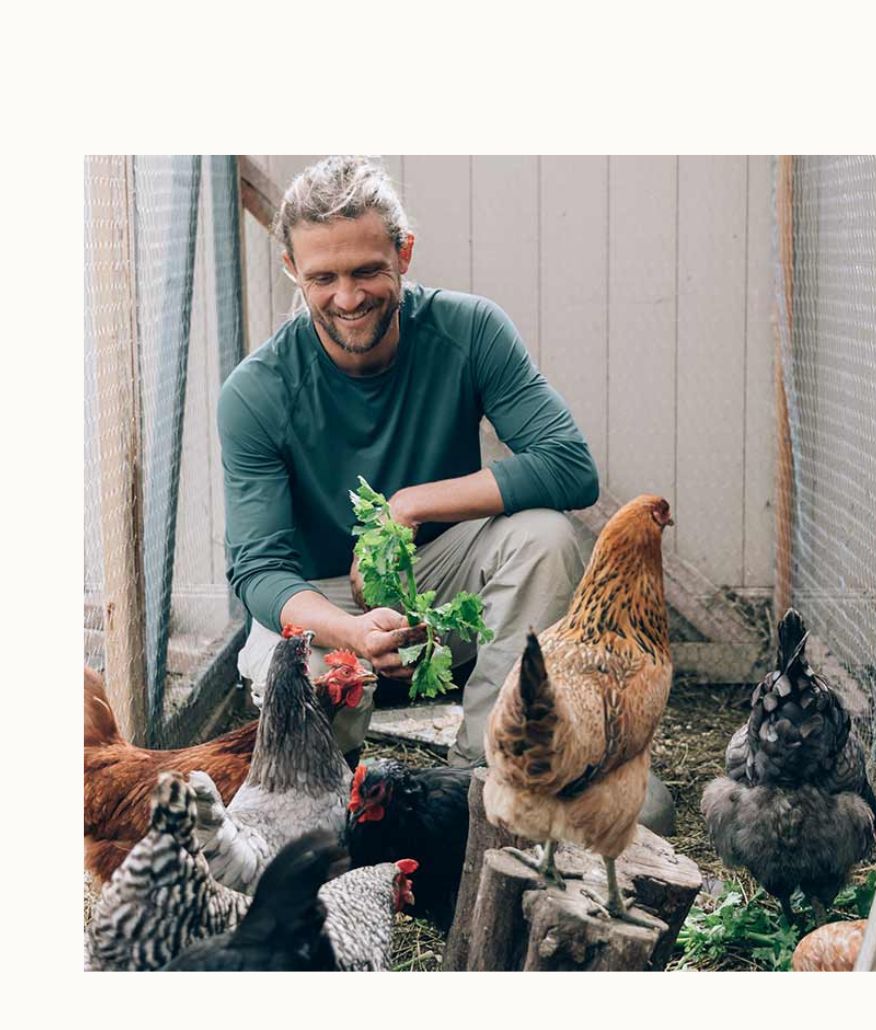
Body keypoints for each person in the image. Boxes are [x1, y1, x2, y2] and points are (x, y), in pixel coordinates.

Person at [220, 156, 598, 768]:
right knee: (303, 677)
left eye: (368, 270)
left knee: (547, 538)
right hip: (322, 599)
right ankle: (327, 804)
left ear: (405, 253)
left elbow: (570, 466)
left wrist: (409, 504)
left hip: (439, 583)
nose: (348, 297)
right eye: (323, 278)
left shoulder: (469, 330)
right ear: (292, 269)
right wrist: (352, 633)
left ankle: (487, 774)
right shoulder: (256, 391)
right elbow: (260, 570)